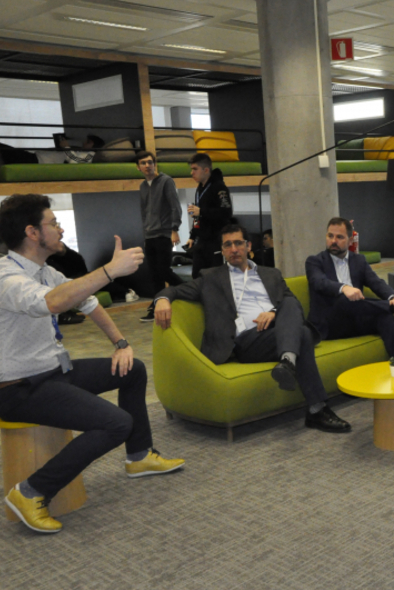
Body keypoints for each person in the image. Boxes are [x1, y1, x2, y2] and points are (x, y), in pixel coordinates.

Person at [0, 194, 184, 534]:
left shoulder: (44, 270)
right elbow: (53, 303)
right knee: (115, 423)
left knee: (133, 369)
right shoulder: (5, 277)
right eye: (53, 223)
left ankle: (139, 455)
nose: (59, 229)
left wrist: (121, 343)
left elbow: (86, 302)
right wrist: (109, 271)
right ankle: (31, 492)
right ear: (32, 232)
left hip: (53, 374)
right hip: (18, 389)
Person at [154, 224, 350, 433]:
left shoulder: (271, 274)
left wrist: (273, 312)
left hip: (278, 331)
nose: (234, 249)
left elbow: (294, 308)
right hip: (246, 341)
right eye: (228, 245)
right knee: (301, 333)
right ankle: (316, 408)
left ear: (248, 246)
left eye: (238, 243)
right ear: (222, 250)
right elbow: (175, 290)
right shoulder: (210, 277)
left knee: (291, 305)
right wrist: (163, 299)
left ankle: (288, 362)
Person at [306, 217, 394, 358]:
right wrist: (344, 288)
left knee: (385, 317)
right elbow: (319, 282)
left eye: (339, 237)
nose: (333, 241)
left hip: (356, 320)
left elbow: (375, 282)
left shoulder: (359, 260)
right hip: (330, 326)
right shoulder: (315, 261)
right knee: (345, 299)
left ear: (349, 241)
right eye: (330, 236)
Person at [135, 150, 183, 321]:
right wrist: (145, 233)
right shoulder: (142, 186)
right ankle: (156, 306)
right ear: (138, 167)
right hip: (150, 236)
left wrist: (174, 229)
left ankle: (187, 290)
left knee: (164, 271)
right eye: (143, 163)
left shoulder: (166, 181)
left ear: (155, 164)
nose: (147, 165)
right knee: (154, 274)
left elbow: (175, 207)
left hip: (164, 234)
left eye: (150, 162)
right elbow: (144, 212)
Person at [186, 152, 233, 279]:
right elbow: (197, 216)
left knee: (215, 277)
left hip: (216, 240)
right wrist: (192, 236)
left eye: (195, 169)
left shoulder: (219, 187)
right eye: (191, 169)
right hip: (201, 240)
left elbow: (226, 213)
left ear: (206, 170)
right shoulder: (199, 188)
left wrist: (201, 211)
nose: (192, 173)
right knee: (197, 276)